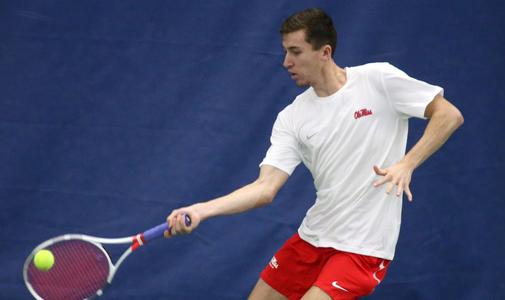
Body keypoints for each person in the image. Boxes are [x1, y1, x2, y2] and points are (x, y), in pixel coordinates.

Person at [166, 8, 463, 300]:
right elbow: (264, 188)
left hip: (362, 248)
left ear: (325, 52)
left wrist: (407, 164)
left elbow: (448, 115)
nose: (286, 62)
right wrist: (202, 210)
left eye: (295, 51)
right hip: (313, 237)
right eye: (285, 52)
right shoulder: (292, 117)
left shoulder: (379, 80)